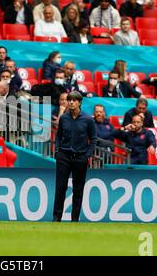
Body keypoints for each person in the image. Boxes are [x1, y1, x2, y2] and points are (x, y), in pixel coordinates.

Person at [53, 91, 96, 222]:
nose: (71, 102)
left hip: (80, 158)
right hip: (64, 156)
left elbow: (93, 139)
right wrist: (58, 151)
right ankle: (56, 218)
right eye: (69, 100)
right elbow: (59, 136)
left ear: (80, 103)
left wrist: (87, 155)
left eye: (74, 100)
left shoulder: (88, 119)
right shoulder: (64, 118)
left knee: (78, 189)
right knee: (60, 188)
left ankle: (74, 219)